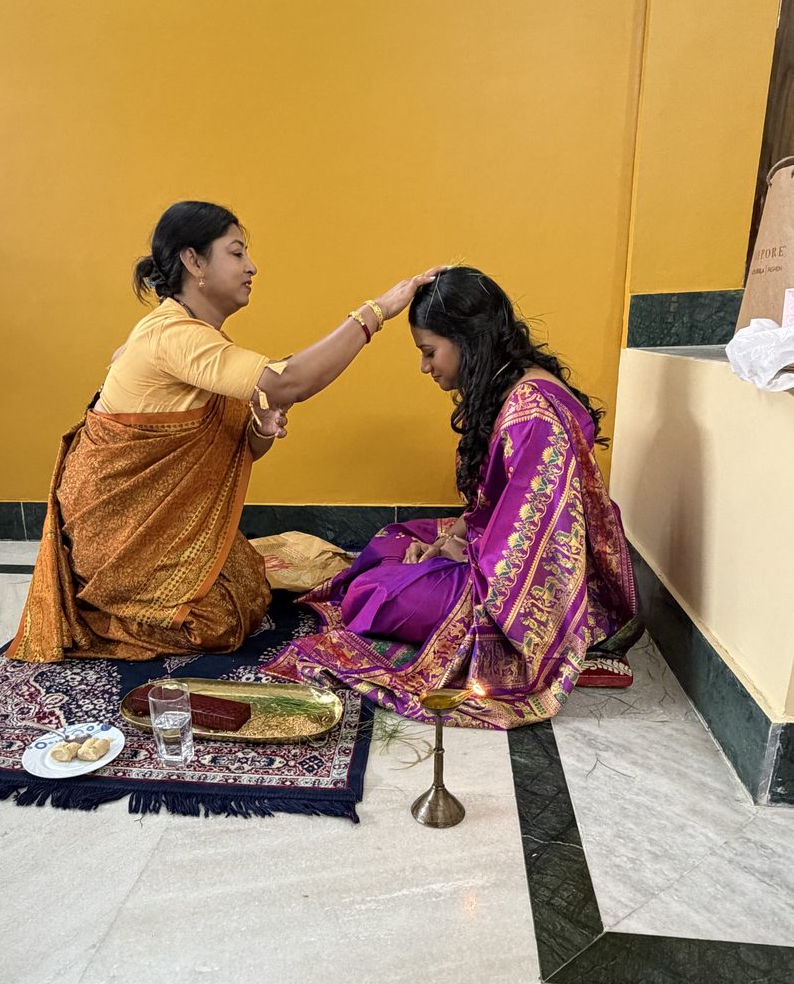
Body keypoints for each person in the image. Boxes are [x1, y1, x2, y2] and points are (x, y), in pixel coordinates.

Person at [7, 201, 443, 662]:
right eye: (236, 253)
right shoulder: (171, 336)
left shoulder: (195, 338)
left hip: (157, 526)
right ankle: (99, 608)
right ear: (194, 262)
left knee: (249, 587)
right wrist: (377, 310)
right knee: (220, 621)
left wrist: (260, 425)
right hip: (117, 533)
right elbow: (289, 381)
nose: (251, 267)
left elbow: (245, 444)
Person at [267, 267, 640, 729]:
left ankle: (578, 643)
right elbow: (494, 504)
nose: (425, 367)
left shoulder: (532, 416)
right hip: (498, 555)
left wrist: (456, 553)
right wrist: (448, 541)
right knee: (393, 539)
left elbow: (529, 561)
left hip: (530, 596)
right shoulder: (512, 386)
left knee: (370, 593)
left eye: (429, 352)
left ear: (467, 340)